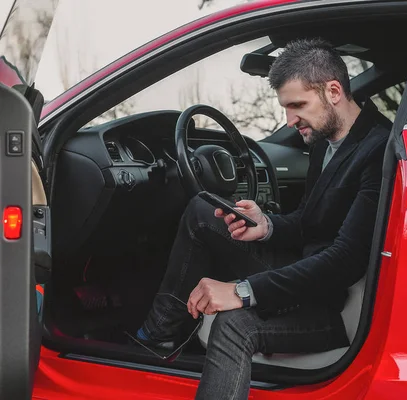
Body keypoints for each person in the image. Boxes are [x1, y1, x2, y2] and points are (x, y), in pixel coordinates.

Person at [135, 38, 392, 399]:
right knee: (202, 213)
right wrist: (267, 225)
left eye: (297, 105)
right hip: (308, 268)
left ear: (334, 91)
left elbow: (344, 261)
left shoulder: (378, 149)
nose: (289, 120)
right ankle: (156, 337)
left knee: (233, 323)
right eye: (285, 108)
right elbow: (309, 221)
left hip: (330, 302)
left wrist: (242, 292)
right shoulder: (325, 140)